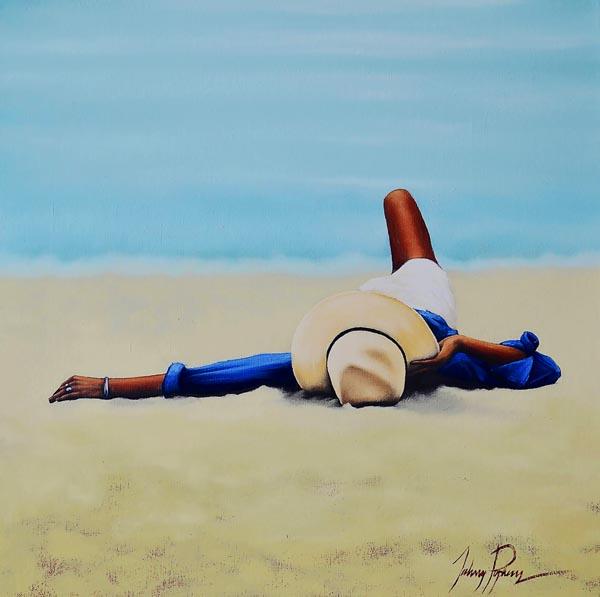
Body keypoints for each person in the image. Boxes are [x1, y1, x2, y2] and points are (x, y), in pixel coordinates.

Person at [48, 189, 561, 407]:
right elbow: (537, 365)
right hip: (422, 308)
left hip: (368, 309)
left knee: (395, 201)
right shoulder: (438, 360)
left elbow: (216, 375)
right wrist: (459, 345)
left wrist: (108, 385)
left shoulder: (325, 367)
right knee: (398, 199)